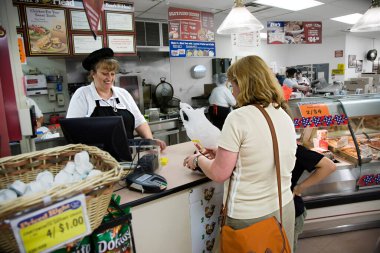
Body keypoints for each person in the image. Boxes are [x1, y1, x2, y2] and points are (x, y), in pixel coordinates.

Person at [183, 55, 297, 251]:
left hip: (250, 217)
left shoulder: (239, 117)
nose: (232, 90)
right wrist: (222, 151)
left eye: (232, 84)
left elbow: (219, 173)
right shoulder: (283, 114)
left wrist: (198, 160)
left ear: (243, 84)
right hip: (283, 207)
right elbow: (264, 150)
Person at [66, 47, 166, 150]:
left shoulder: (123, 94)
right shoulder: (82, 94)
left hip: (127, 157)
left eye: (112, 74)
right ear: (93, 74)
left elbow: (139, 121)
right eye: (104, 74)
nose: (109, 78)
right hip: (96, 160)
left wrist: (150, 142)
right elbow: (73, 130)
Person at [292, 145, 336, 252]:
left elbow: (329, 166)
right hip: (288, 209)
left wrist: (299, 188)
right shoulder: (293, 148)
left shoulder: (295, 149)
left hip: (290, 210)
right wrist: (298, 188)